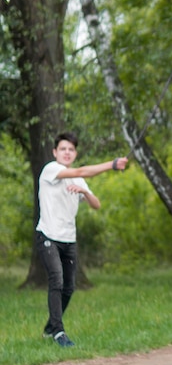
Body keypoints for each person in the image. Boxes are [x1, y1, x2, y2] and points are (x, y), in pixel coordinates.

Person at [37, 132, 128, 348]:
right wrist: (112, 164)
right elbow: (80, 170)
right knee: (56, 281)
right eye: (63, 149)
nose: (67, 153)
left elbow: (96, 204)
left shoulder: (78, 178)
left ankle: (50, 327)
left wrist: (84, 192)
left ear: (75, 153)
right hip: (48, 235)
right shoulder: (51, 170)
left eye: (70, 150)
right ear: (55, 152)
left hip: (69, 239)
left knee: (69, 287)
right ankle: (59, 332)